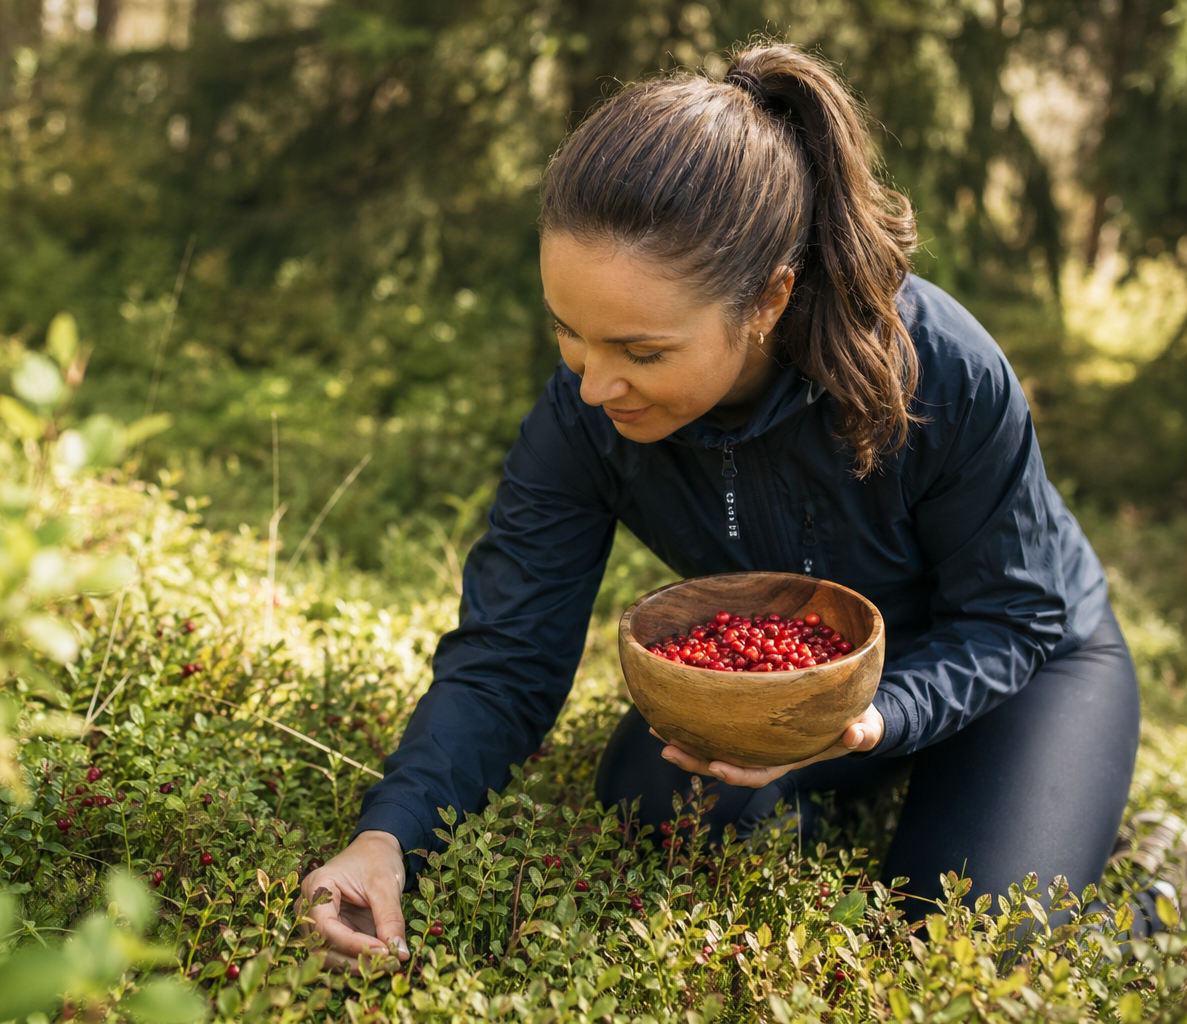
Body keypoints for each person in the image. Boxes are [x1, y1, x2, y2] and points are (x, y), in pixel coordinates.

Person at [299, 41, 1145, 968]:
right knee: (648, 802)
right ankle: (859, 811)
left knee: (963, 952)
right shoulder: (584, 415)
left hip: (1023, 666)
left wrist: (871, 718)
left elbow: (1014, 615)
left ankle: (1140, 882)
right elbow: (508, 652)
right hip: (793, 686)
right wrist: (390, 837)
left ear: (770, 298)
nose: (595, 387)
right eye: (569, 333)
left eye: (642, 351)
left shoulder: (940, 370)